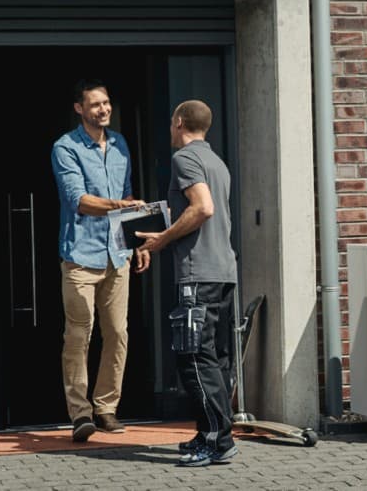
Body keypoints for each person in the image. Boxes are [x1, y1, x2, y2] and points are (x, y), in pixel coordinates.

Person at [135, 99, 238, 467]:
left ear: (178, 122)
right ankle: (210, 432)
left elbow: (203, 207)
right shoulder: (216, 162)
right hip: (222, 273)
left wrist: (161, 240)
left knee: (194, 359)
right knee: (214, 360)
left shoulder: (185, 159)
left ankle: (216, 441)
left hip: (199, 275)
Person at [51, 79, 150, 442]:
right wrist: (120, 206)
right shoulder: (66, 147)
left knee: (118, 333)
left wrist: (137, 243)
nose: (103, 110)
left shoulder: (120, 144)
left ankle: (106, 407)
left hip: (116, 254)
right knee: (79, 335)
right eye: (95, 105)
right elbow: (78, 199)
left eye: (106, 103)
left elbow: (126, 198)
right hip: (80, 256)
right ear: (79, 108)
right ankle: (80, 414)